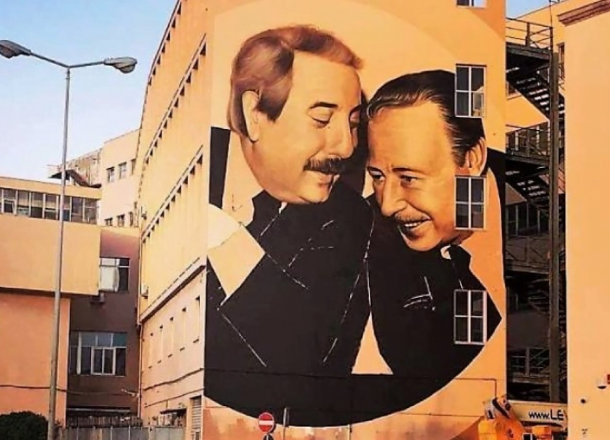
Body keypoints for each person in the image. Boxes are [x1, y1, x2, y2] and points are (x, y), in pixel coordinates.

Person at [205, 25, 373, 426]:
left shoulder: (352, 219)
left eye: (352, 123)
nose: (346, 146)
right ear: (254, 114)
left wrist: (223, 238)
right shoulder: (195, 168)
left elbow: (306, 359)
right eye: (322, 118)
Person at [364, 69, 503, 384]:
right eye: (377, 177)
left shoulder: (540, 211)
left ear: (472, 159)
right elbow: (419, 367)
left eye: (408, 178)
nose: (388, 205)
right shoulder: (367, 236)